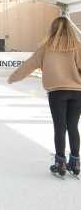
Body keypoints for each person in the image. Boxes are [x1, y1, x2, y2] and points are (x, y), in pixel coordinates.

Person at [8, 16, 81, 177]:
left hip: (57, 93)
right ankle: (75, 162)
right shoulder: (77, 46)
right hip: (77, 93)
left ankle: (60, 162)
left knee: (60, 127)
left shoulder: (46, 48)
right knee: (73, 126)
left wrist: (13, 77)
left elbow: (29, 65)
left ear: (53, 29)